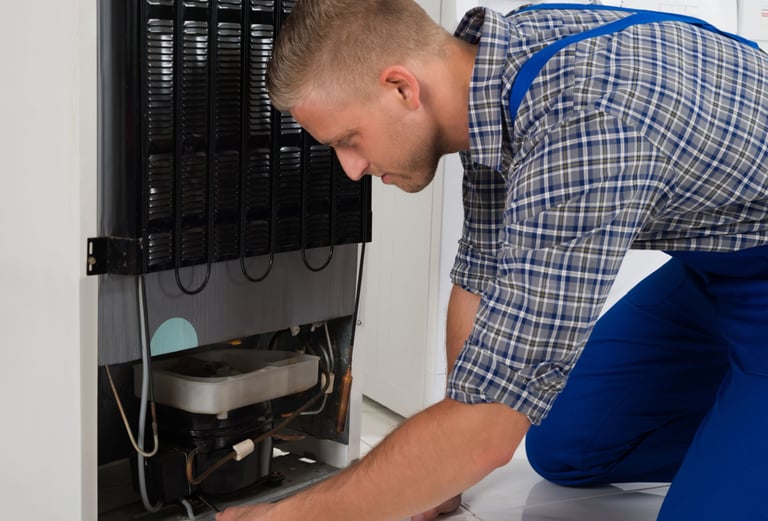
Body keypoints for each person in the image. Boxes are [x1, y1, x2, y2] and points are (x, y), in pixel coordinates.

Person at [217, 1, 768, 520]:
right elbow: (479, 278)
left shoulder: (581, 121)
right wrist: (439, 473)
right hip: (722, 264)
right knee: (564, 446)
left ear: (401, 88)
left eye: (348, 140)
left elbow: (486, 432)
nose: (351, 170)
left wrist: (288, 514)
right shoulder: (490, 76)